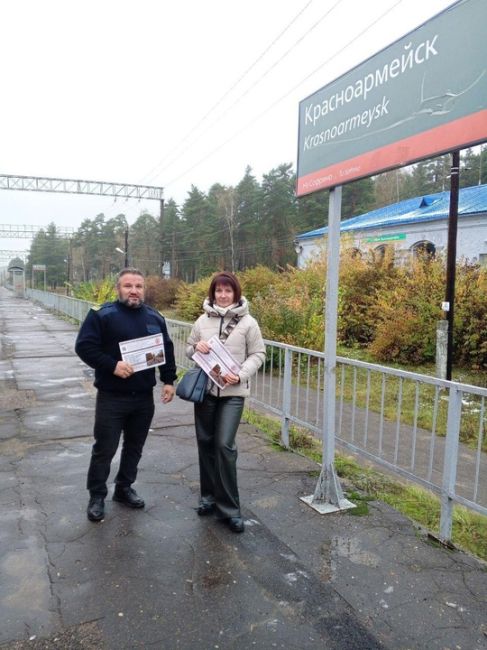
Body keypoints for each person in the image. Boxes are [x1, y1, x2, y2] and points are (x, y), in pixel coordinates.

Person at [75, 267, 177, 522]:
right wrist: (112, 365)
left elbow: (166, 348)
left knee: (134, 447)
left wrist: (168, 380)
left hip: (143, 397)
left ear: (144, 289)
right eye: (128, 286)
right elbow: (84, 347)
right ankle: (97, 495)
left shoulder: (155, 317)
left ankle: (123, 488)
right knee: (105, 449)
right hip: (112, 397)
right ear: (118, 288)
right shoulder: (102, 315)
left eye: (139, 286)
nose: (134, 291)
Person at [185, 272, 265, 533]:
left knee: (224, 446)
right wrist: (197, 347)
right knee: (206, 443)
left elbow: (258, 354)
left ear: (236, 293)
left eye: (227, 291)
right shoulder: (201, 320)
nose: (222, 295)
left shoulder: (248, 323)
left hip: (232, 394)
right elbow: (188, 348)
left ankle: (230, 509)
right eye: (218, 291)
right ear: (213, 293)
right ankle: (208, 497)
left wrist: (240, 375)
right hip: (205, 393)